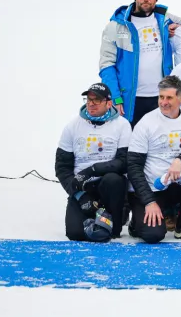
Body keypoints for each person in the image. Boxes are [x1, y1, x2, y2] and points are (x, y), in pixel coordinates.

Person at [99, 0, 181, 124]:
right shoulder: (116, 26)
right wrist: (115, 96)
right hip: (130, 100)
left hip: (162, 97)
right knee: (131, 143)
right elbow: (106, 65)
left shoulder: (164, 18)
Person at [126, 75, 181, 243]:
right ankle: (136, 221)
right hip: (152, 188)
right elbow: (133, 166)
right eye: (161, 97)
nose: (164, 102)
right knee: (153, 235)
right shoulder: (146, 123)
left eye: (169, 98)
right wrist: (149, 201)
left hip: (177, 183)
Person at [55, 83, 132, 242]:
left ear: (108, 103)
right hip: (82, 186)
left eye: (96, 100)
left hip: (108, 185)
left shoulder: (122, 125)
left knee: (114, 180)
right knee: (75, 234)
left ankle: (117, 217)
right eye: (88, 99)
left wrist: (92, 170)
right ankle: (93, 212)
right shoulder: (72, 126)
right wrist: (80, 195)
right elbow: (62, 168)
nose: (90, 103)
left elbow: (124, 162)